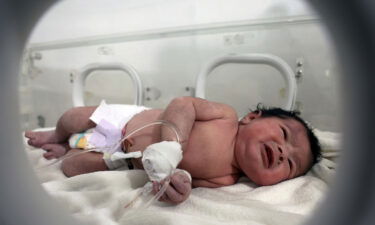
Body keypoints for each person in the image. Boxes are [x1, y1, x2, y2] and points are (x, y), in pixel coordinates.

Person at [25, 96, 321, 204]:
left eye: (290, 165)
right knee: (74, 117)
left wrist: (178, 187)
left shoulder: (227, 178)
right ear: (252, 118)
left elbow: (188, 179)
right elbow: (183, 104)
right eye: (284, 134)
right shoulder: (225, 117)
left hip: (124, 161)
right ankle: (57, 134)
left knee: (71, 167)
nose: (283, 152)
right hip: (127, 122)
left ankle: (65, 147)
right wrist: (171, 145)